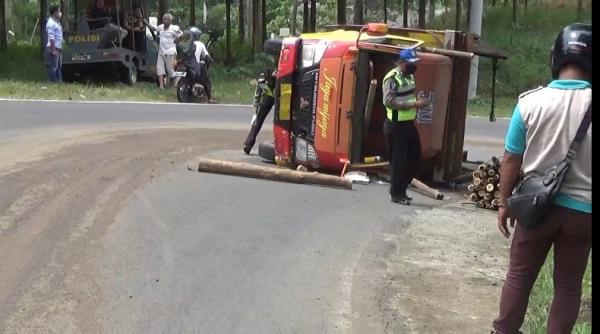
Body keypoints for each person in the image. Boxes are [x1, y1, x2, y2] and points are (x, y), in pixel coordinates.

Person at [493, 23, 591, 334]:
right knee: (568, 288)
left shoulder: (529, 103)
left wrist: (503, 202)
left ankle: (504, 331)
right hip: (583, 214)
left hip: (536, 209)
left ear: (556, 58)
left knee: (519, 278)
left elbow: (511, 158)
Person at [382, 48, 428, 205]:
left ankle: (399, 188)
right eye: (410, 64)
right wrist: (413, 104)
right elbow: (389, 101)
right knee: (398, 161)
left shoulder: (409, 77)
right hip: (396, 124)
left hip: (408, 123)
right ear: (401, 63)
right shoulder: (392, 79)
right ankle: (397, 193)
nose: (413, 67)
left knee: (415, 158)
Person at [243, 52, 279, 154]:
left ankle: (279, 143)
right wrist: (255, 113)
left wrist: (277, 112)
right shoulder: (262, 81)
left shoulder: (280, 79)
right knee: (258, 121)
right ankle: (248, 144)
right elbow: (257, 98)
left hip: (279, 96)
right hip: (268, 97)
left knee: (279, 122)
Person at [151, 13, 182, 89]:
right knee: (159, 67)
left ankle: (176, 79)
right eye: (164, 19)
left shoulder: (174, 28)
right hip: (161, 51)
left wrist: (176, 41)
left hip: (170, 51)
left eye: (168, 19)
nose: (166, 21)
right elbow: (154, 29)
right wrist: (146, 23)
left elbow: (181, 35)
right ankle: (161, 86)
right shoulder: (160, 27)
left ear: (170, 21)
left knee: (170, 69)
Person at [190, 27, 214, 102]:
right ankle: (210, 98)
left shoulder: (185, 43)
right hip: (195, 67)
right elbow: (206, 56)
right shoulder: (200, 44)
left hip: (186, 65)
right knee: (206, 81)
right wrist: (211, 60)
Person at [46, 5, 63, 83]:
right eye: (59, 11)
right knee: (53, 66)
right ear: (55, 13)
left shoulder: (57, 22)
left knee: (58, 66)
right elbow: (51, 38)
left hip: (58, 47)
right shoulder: (51, 23)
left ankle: (59, 81)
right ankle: (52, 82)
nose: (60, 13)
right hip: (54, 47)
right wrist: (53, 50)